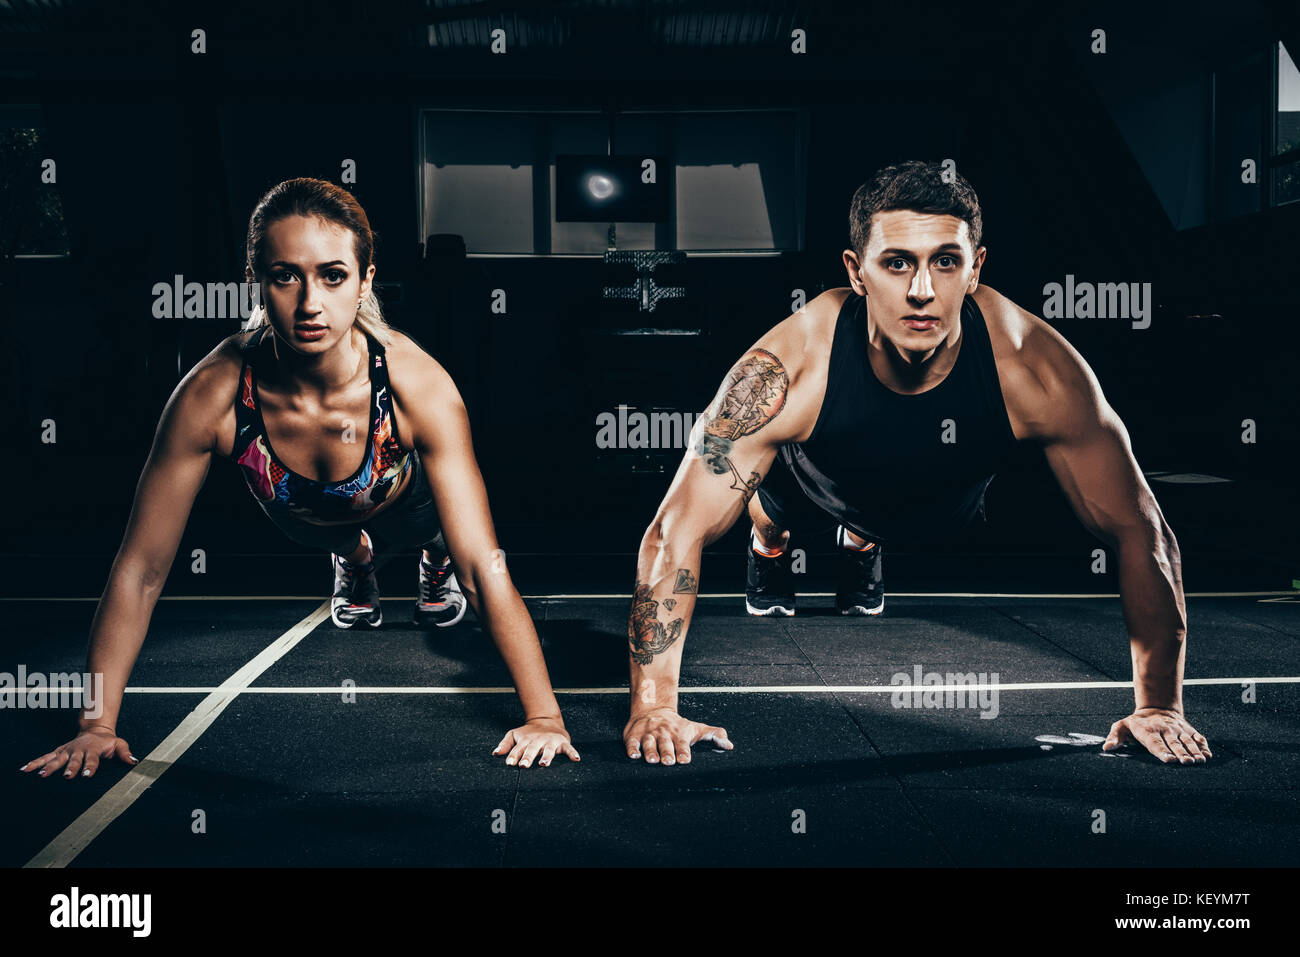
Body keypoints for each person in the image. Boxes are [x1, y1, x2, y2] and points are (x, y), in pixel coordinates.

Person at [622, 161, 1210, 767]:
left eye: (946, 262)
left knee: (892, 508)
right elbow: (676, 530)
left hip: (941, 497)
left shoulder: (1035, 367)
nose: (922, 290)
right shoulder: (787, 367)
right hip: (813, 483)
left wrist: (1160, 706)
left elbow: (1142, 530)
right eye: (897, 262)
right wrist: (654, 705)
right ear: (856, 272)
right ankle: (773, 547)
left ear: (976, 268)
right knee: (770, 520)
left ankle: (861, 541)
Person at [21, 178, 578, 779]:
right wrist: (95, 725)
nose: (310, 302)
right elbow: (141, 567)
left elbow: (484, 566)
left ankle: (425, 555)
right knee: (332, 533)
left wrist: (544, 715)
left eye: (333, 276)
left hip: (400, 495)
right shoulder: (212, 394)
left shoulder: (419, 385)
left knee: (439, 535)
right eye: (286, 275)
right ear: (258, 280)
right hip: (301, 515)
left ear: (365, 282)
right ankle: (354, 556)